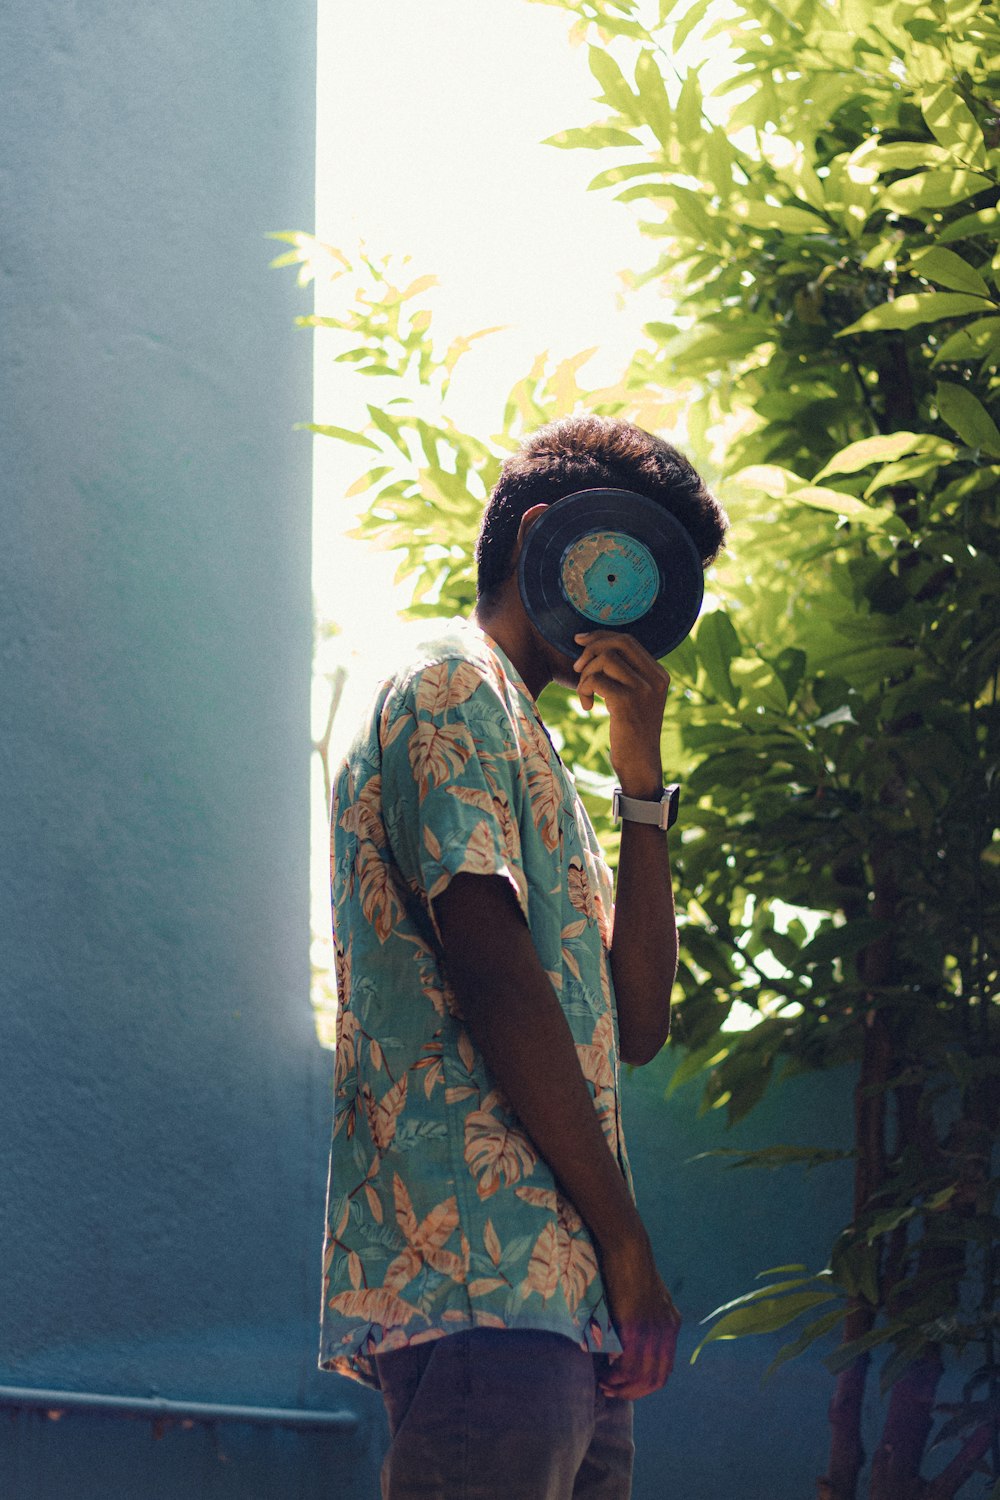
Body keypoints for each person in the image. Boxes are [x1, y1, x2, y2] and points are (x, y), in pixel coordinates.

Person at [321, 414, 728, 1499]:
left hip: (557, 1304)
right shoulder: (451, 682)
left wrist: (640, 782)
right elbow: (493, 974)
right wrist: (630, 1245)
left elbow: (637, 1021)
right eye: (623, 563)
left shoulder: (533, 744)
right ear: (547, 532)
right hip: (481, 1283)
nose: (636, 605)